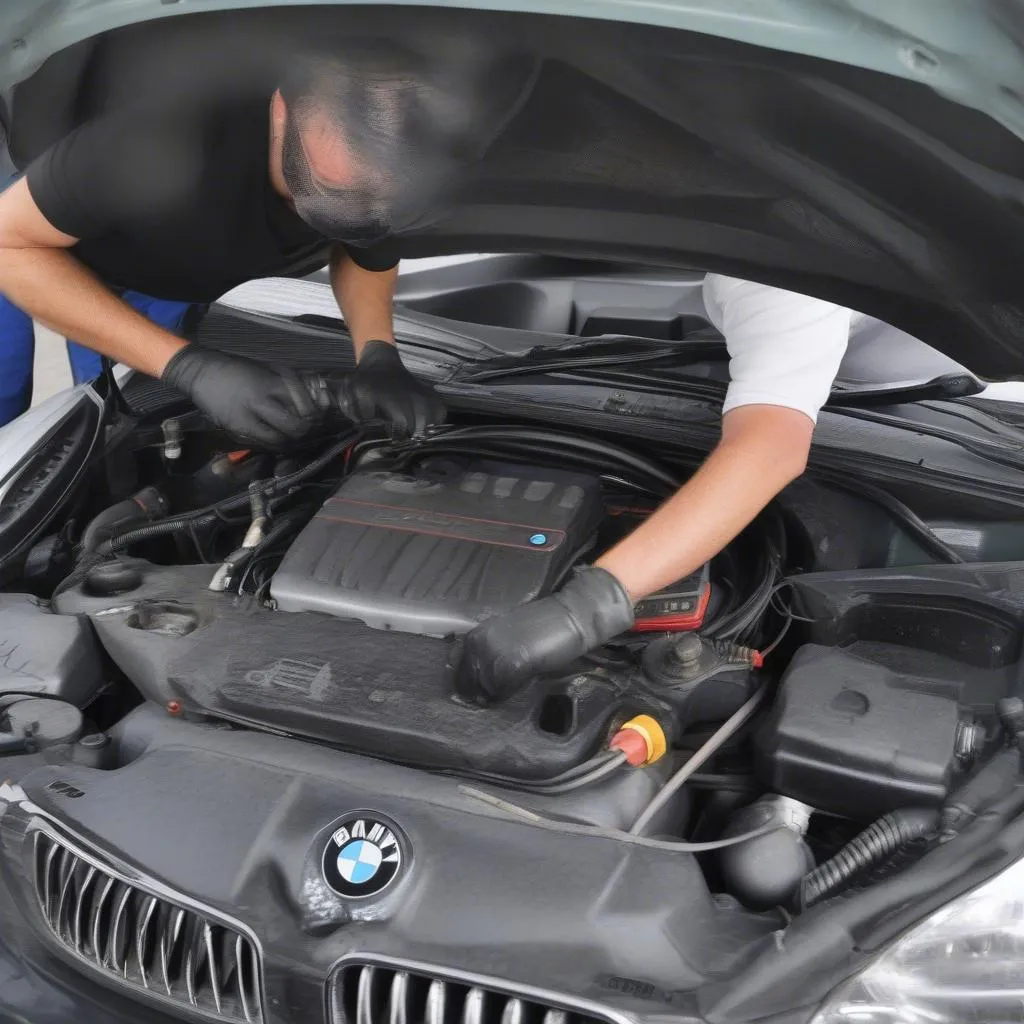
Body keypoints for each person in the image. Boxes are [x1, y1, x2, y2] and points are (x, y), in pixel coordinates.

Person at [0, 41, 532, 440]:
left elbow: (367, 251)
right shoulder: (161, 134)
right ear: (282, 105)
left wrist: (377, 355)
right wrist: (193, 367)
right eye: (323, 193)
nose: (342, 221)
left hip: (167, 260)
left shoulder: (400, 160)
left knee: (116, 414)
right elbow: (12, 245)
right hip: (29, 223)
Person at [457, 273, 877, 700]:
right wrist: (382, 345)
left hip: (885, 392)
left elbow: (774, 447)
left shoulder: (780, 281)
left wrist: (583, 612)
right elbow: (389, 214)